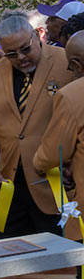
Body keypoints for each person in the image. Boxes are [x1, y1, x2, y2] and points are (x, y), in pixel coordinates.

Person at [0, 13, 74, 236]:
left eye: (25, 49)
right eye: (11, 54)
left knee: (59, 266)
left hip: (57, 188)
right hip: (8, 188)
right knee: (10, 263)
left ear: (38, 36)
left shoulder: (67, 63)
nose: (20, 58)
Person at [34, 31, 84, 241]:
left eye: (70, 67)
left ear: (77, 65)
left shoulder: (72, 94)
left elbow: (51, 155)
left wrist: (39, 164)